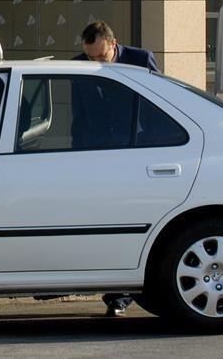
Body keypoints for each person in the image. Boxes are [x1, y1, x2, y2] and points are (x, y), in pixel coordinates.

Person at [72, 20, 157, 318]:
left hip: (136, 153)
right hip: (98, 153)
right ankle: (115, 287)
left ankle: (121, 295)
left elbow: (158, 105)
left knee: (134, 221)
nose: (94, 63)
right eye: (89, 56)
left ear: (113, 43)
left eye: (100, 57)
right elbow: (78, 114)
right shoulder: (77, 65)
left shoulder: (140, 60)